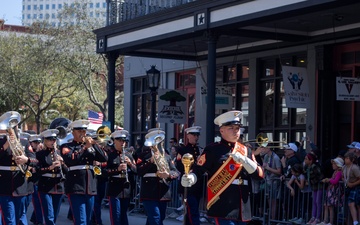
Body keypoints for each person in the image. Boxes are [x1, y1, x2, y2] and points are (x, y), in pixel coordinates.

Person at [181, 110, 264, 225]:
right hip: (222, 203)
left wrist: (245, 161)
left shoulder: (246, 150)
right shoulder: (213, 149)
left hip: (242, 205)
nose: (235, 131)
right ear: (222, 130)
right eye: (231, 128)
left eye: (237, 128)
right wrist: (191, 177)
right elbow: (199, 169)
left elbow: (259, 174)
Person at [60, 119, 108, 225]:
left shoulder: (90, 147)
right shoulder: (67, 146)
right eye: (79, 131)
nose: (83, 133)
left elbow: (104, 158)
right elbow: (72, 159)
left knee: (88, 219)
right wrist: (85, 148)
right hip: (76, 186)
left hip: (90, 187)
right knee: (80, 220)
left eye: (84, 131)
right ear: (73, 132)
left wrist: (94, 145)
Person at [0, 111, 38, 225]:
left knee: (19, 218)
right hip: (4, 185)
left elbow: (35, 161)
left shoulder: (25, 142)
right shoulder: (1, 142)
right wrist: (6, 144)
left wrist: (26, 160)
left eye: (14, 126)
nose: (12, 129)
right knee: (9, 220)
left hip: (21, 185)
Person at [136, 128, 179, 225]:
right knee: (156, 217)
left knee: (159, 218)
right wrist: (150, 161)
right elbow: (138, 171)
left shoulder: (167, 157)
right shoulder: (143, 156)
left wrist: (168, 175)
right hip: (149, 192)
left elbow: (175, 172)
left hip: (163, 192)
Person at [36, 129, 67, 225]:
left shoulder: (60, 153)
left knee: (55, 213)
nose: (52, 142)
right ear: (45, 141)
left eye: (54, 139)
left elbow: (67, 171)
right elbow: (38, 170)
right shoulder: (40, 154)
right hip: (45, 185)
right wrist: (51, 167)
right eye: (49, 140)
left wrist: (62, 163)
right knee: (49, 215)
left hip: (58, 185)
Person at [106, 129, 137, 225]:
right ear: (114, 141)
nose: (122, 143)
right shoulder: (109, 156)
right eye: (119, 140)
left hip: (126, 189)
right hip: (114, 188)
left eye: (124, 141)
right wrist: (117, 169)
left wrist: (131, 164)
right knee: (116, 216)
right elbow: (103, 172)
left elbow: (137, 171)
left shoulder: (129, 155)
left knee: (123, 215)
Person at [175, 126, 203, 225]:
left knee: (190, 211)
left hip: (198, 184)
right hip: (187, 184)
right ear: (188, 136)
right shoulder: (182, 150)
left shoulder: (200, 150)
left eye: (197, 135)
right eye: (194, 135)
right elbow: (179, 166)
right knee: (193, 210)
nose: (196, 137)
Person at [317, 157, 344, 225]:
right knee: (326, 205)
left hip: (334, 190)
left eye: (334, 164)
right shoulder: (335, 172)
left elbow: (335, 181)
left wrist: (329, 180)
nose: (332, 165)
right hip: (330, 190)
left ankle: (331, 222)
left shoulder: (339, 172)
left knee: (330, 206)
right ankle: (325, 220)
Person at [261, 145, 282, 220]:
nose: (262, 149)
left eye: (264, 148)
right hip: (268, 180)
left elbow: (279, 171)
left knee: (273, 201)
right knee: (268, 199)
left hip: (274, 181)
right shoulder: (266, 156)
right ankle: (270, 217)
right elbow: (264, 166)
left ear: (268, 148)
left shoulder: (275, 157)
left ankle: (273, 218)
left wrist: (269, 168)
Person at [28, 134, 44, 225]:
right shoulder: (29, 152)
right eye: (35, 142)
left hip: (41, 180)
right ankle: (39, 221)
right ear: (31, 143)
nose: (37, 144)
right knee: (37, 202)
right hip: (33, 181)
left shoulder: (41, 152)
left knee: (40, 202)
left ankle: (35, 218)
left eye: (39, 142)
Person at [304, 153, 324, 225]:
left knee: (318, 201)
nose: (305, 160)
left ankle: (318, 218)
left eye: (306, 159)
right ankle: (313, 217)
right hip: (313, 187)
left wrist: (313, 181)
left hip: (319, 186)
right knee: (314, 202)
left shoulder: (315, 167)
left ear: (311, 160)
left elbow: (320, 176)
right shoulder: (307, 167)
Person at [342, 151, 360, 225]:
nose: (345, 160)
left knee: (353, 204)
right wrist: (346, 182)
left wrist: (353, 184)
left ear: (352, 159)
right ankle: (353, 221)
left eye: (347, 158)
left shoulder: (355, 168)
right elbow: (342, 177)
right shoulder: (344, 167)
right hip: (347, 187)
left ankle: (355, 221)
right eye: (345, 158)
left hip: (355, 187)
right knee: (349, 204)